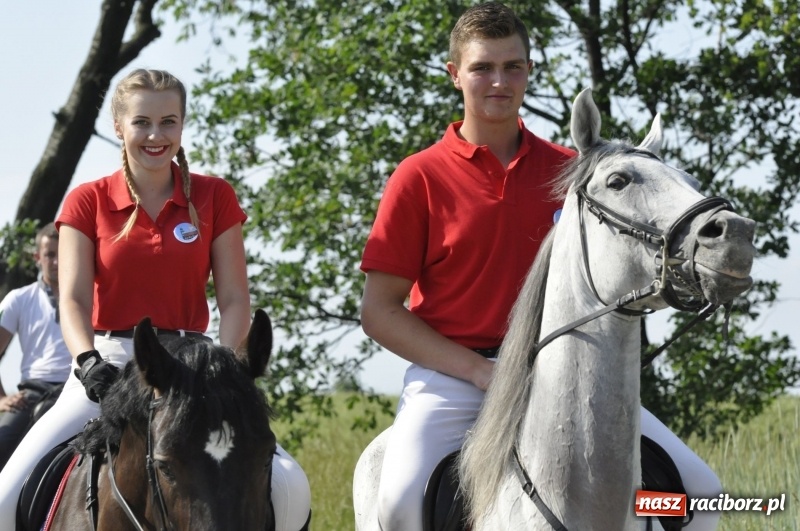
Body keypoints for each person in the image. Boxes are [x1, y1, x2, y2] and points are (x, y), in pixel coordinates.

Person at [359, 3, 721, 531]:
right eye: (482, 67)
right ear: (454, 74)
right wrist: (480, 371)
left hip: (567, 375)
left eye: (513, 66)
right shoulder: (418, 177)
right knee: (398, 507)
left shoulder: (575, 174)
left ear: (529, 71)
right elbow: (380, 312)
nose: (499, 81)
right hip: (452, 382)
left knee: (700, 497)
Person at [0, 69, 310, 531]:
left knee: (291, 488)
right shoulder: (87, 201)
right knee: (6, 494)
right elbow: (74, 300)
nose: (155, 135)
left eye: (169, 121)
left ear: (182, 125)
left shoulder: (215, 196)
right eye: (142, 122)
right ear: (119, 126)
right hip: (106, 366)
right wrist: (87, 363)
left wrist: (226, 369)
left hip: (195, 369)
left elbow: (233, 297)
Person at [0, 223, 72, 470]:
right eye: (50, 254)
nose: (55, 261)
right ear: (37, 257)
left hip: (79, 389)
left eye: (61, 254)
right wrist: (1, 398)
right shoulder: (18, 299)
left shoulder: (90, 296)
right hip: (33, 393)